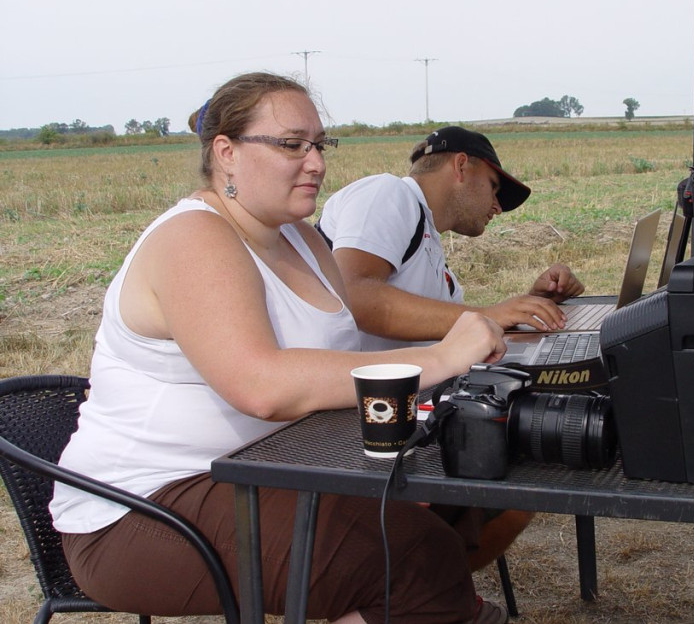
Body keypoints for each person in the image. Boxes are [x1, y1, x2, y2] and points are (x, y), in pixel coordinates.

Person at [49, 72, 509, 624]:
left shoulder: (305, 239)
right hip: (143, 509)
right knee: (412, 559)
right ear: (227, 153)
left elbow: (333, 367)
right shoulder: (193, 238)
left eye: (320, 145)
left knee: (466, 500)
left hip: (271, 472)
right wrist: (439, 357)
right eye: (292, 145)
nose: (315, 162)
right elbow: (262, 385)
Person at [317, 125, 586, 353]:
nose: (497, 207)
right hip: (336, 408)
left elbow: (458, 330)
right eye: (494, 187)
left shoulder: (435, 258)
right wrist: (490, 314)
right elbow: (353, 293)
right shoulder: (388, 192)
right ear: (461, 166)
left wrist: (530, 305)